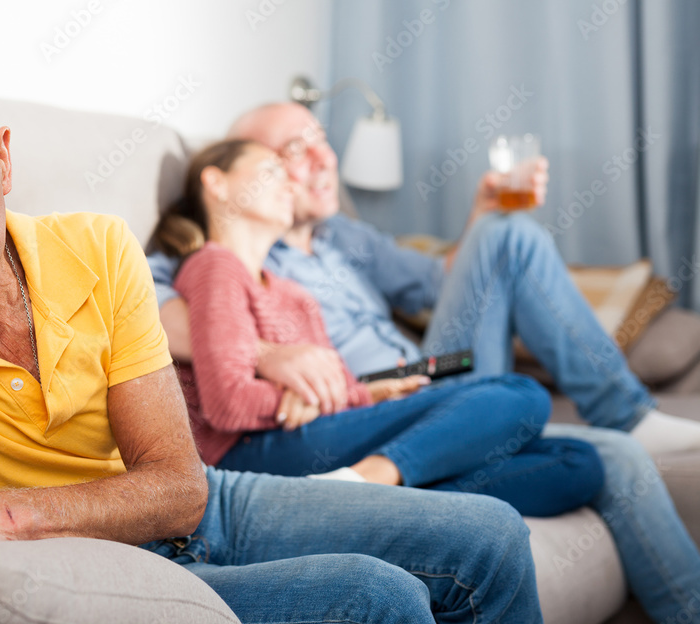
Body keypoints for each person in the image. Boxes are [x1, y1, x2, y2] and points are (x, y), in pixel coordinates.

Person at [0, 60, 544, 624]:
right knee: (379, 597)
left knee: (492, 533)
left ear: (2, 159)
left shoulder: (97, 245)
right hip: (93, 563)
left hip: (202, 505)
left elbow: (176, 487)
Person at [148, 102, 700, 622]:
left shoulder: (339, 238)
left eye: (321, 140)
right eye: (291, 152)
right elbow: (150, 316)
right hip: (349, 406)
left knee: (583, 457)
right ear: (224, 178)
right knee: (578, 432)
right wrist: (269, 357)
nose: (319, 160)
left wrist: (480, 213)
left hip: (412, 380)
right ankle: (617, 416)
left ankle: (397, 476)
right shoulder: (214, 259)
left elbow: (442, 284)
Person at [152, 138, 604, 517]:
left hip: (321, 432)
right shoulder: (214, 267)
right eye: (272, 170)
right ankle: (370, 482)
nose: (289, 182)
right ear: (216, 183)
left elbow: (342, 386)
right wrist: (313, 397)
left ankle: (370, 494)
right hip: (252, 452)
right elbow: (228, 405)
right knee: (522, 395)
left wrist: (359, 394)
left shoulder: (294, 294)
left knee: (577, 463)